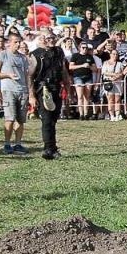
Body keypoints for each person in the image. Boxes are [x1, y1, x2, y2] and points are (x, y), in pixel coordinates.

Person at [29, 30, 72, 159]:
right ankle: (48, 149)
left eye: (53, 37)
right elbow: (30, 76)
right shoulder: (36, 55)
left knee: (53, 119)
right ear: (42, 39)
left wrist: (68, 89)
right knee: (47, 119)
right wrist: (31, 96)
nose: (51, 40)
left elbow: (63, 71)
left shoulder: (59, 52)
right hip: (43, 89)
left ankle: (52, 148)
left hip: (56, 88)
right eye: (48, 37)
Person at [0, 35, 31, 154]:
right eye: (16, 42)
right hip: (9, 90)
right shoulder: (3, 55)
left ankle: (18, 144)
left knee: (21, 119)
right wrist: (8, 75)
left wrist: (29, 91)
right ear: (9, 42)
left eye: (19, 42)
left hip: (22, 91)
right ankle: (7, 144)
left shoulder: (23, 58)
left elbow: (26, 75)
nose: (18, 44)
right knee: (10, 118)